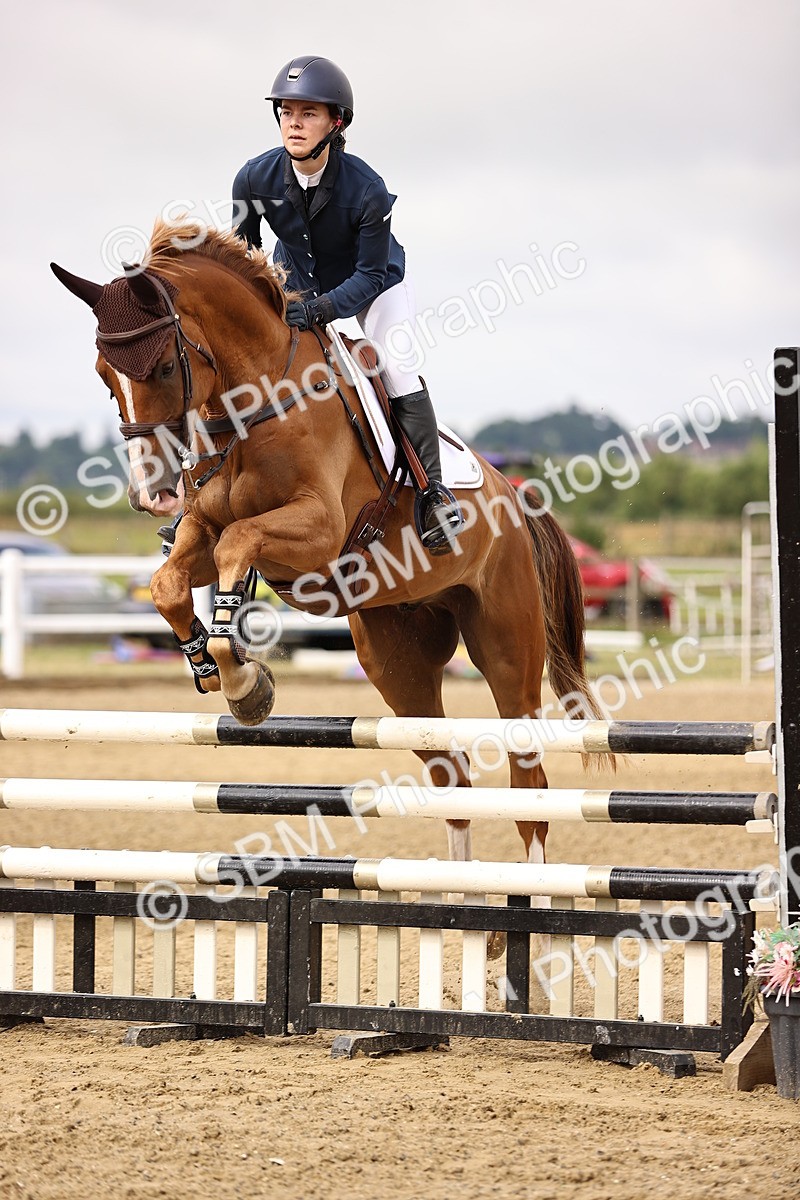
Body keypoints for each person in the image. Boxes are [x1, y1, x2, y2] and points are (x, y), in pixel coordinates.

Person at [231, 54, 463, 555]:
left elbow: (369, 275)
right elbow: (244, 258)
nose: (294, 122)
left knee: (395, 365)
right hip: (297, 282)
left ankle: (432, 494)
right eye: (287, 111)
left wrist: (315, 312)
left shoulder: (368, 190)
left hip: (376, 286)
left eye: (308, 113)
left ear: (336, 122)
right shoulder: (253, 180)